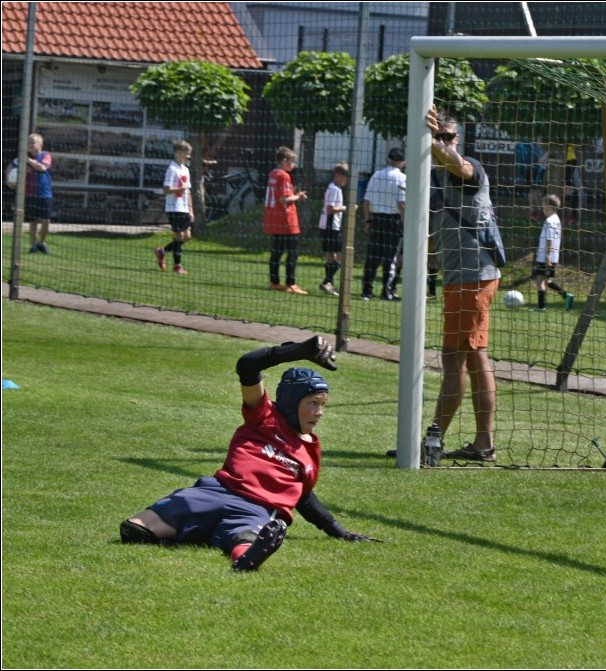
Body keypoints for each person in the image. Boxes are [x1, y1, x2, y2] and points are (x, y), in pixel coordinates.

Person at [119, 335, 380, 572]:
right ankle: (202, 532)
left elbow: (304, 498)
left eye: (322, 405)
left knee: (246, 540)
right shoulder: (264, 415)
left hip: (259, 508)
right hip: (214, 491)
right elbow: (247, 366)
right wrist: (298, 351)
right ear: (291, 401)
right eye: (312, 403)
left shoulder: (310, 450)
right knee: (133, 530)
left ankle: (245, 558)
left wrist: (339, 531)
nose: (319, 412)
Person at [425, 105, 502, 462]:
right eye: (438, 136)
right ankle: (482, 444)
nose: (443, 143)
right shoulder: (436, 181)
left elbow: (461, 165)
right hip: (463, 278)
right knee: (471, 356)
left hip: (472, 277)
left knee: (457, 356)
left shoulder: (466, 170)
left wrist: (431, 139)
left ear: (458, 140)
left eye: (448, 137)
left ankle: (432, 441)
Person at [361, 147, 407, 301]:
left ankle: (366, 291)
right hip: (393, 221)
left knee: (372, 256)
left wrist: (368, 220)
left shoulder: (376, 175)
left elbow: (366, 201)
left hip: (377, 219)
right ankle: (386, 291)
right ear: (402, 162)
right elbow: (401, 203)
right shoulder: (402, 178)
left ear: (387, 159)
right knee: (390, 258)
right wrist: (404, 222)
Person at [264, 146, 309, 295]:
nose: (294, 164)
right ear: (284, 161)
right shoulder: (284, 176)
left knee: (276, 251)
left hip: (273, 217)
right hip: (286, 219)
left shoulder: (273, 173)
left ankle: (274, 282)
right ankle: (291, 283)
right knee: (293, 252)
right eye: (292, 161)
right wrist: (298, 196)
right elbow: (284, 199)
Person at [4, 133, 53, 254]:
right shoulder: (21, 158)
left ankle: (42, 242)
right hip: (30, 194)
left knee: (46, 220)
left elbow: (42, 168)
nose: (29, 145)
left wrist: (28, 160)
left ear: (40, 145)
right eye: (28, 143)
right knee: (33, 221)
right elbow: (9, 167)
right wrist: (9, 181)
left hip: (45, 194)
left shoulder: (45, 155)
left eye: (32, 142)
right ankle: (33, 245)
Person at [155, 139, 194, 274]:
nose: (187, 157)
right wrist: (179, 189)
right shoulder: (172, 169)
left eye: (188, 154)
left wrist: (190, 209)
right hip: (174, 207)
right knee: (178, 236)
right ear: (177, 153)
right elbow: (166, 189)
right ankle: (177, 266)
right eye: (185, 154)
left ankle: (162, 251)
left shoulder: (186, 170)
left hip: (184, 208)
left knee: (187, 236)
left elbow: (188, 191)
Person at [530, 193, 574, 312]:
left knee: (540, 280)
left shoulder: (549, 221)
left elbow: (550, 240)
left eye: (544, 208)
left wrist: (547, 256)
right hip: (553, 256)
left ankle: (541, 307)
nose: (543, 210)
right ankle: (566, 296)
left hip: (545, 256)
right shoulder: (557, 220)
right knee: (546, 280)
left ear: (550, 207)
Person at [318, 162, 349, 296]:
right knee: (338, 257)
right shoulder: (334, 189)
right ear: (338, 176)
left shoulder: (336, 188)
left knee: (332, 256)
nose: (347, 180)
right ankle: (326, 282)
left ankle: (329, 283)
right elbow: (330, 209)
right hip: (330, 226)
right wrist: (345, 208)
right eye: (345, 176)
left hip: (332, 226)